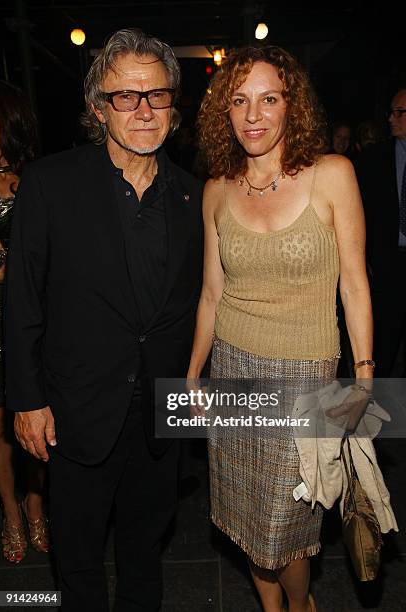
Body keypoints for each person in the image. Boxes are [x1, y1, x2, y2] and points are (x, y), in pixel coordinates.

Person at [4, 28, 203, 611]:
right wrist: (25, 399)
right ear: (98, 107)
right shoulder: (48, 184)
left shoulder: (196, 196)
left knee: (146, 549)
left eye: (157, 95)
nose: (144, 109)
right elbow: (22, 302)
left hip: (161, 414)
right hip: (75, 409)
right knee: (78, 555)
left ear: (173, 105)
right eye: (126, 96)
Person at [187, 46, 373, 612]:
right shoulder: (217, 189)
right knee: (245, 512)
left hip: (306, 376)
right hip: (233, 369)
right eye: (240, 102)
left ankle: (302, 603)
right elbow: (211, 293)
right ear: (225, 112)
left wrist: (363, 378)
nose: (253, 115)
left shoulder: (332, 175)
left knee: (287, 523)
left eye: (269, 99)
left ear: (293, 106)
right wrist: (193, 374)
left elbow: (355, 284)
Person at [0, 80, 49, 564]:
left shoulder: (36, 178)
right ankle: (10, 517)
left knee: (34, 416)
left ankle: (36, 508)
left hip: (29, 310)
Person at [355, 87, 406, 377]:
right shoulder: (374, 159)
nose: (390, 119)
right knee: (384, 344)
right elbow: (363, 213)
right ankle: (377, 405)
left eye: (399, 113)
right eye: (391, 111)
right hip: (388, 266)